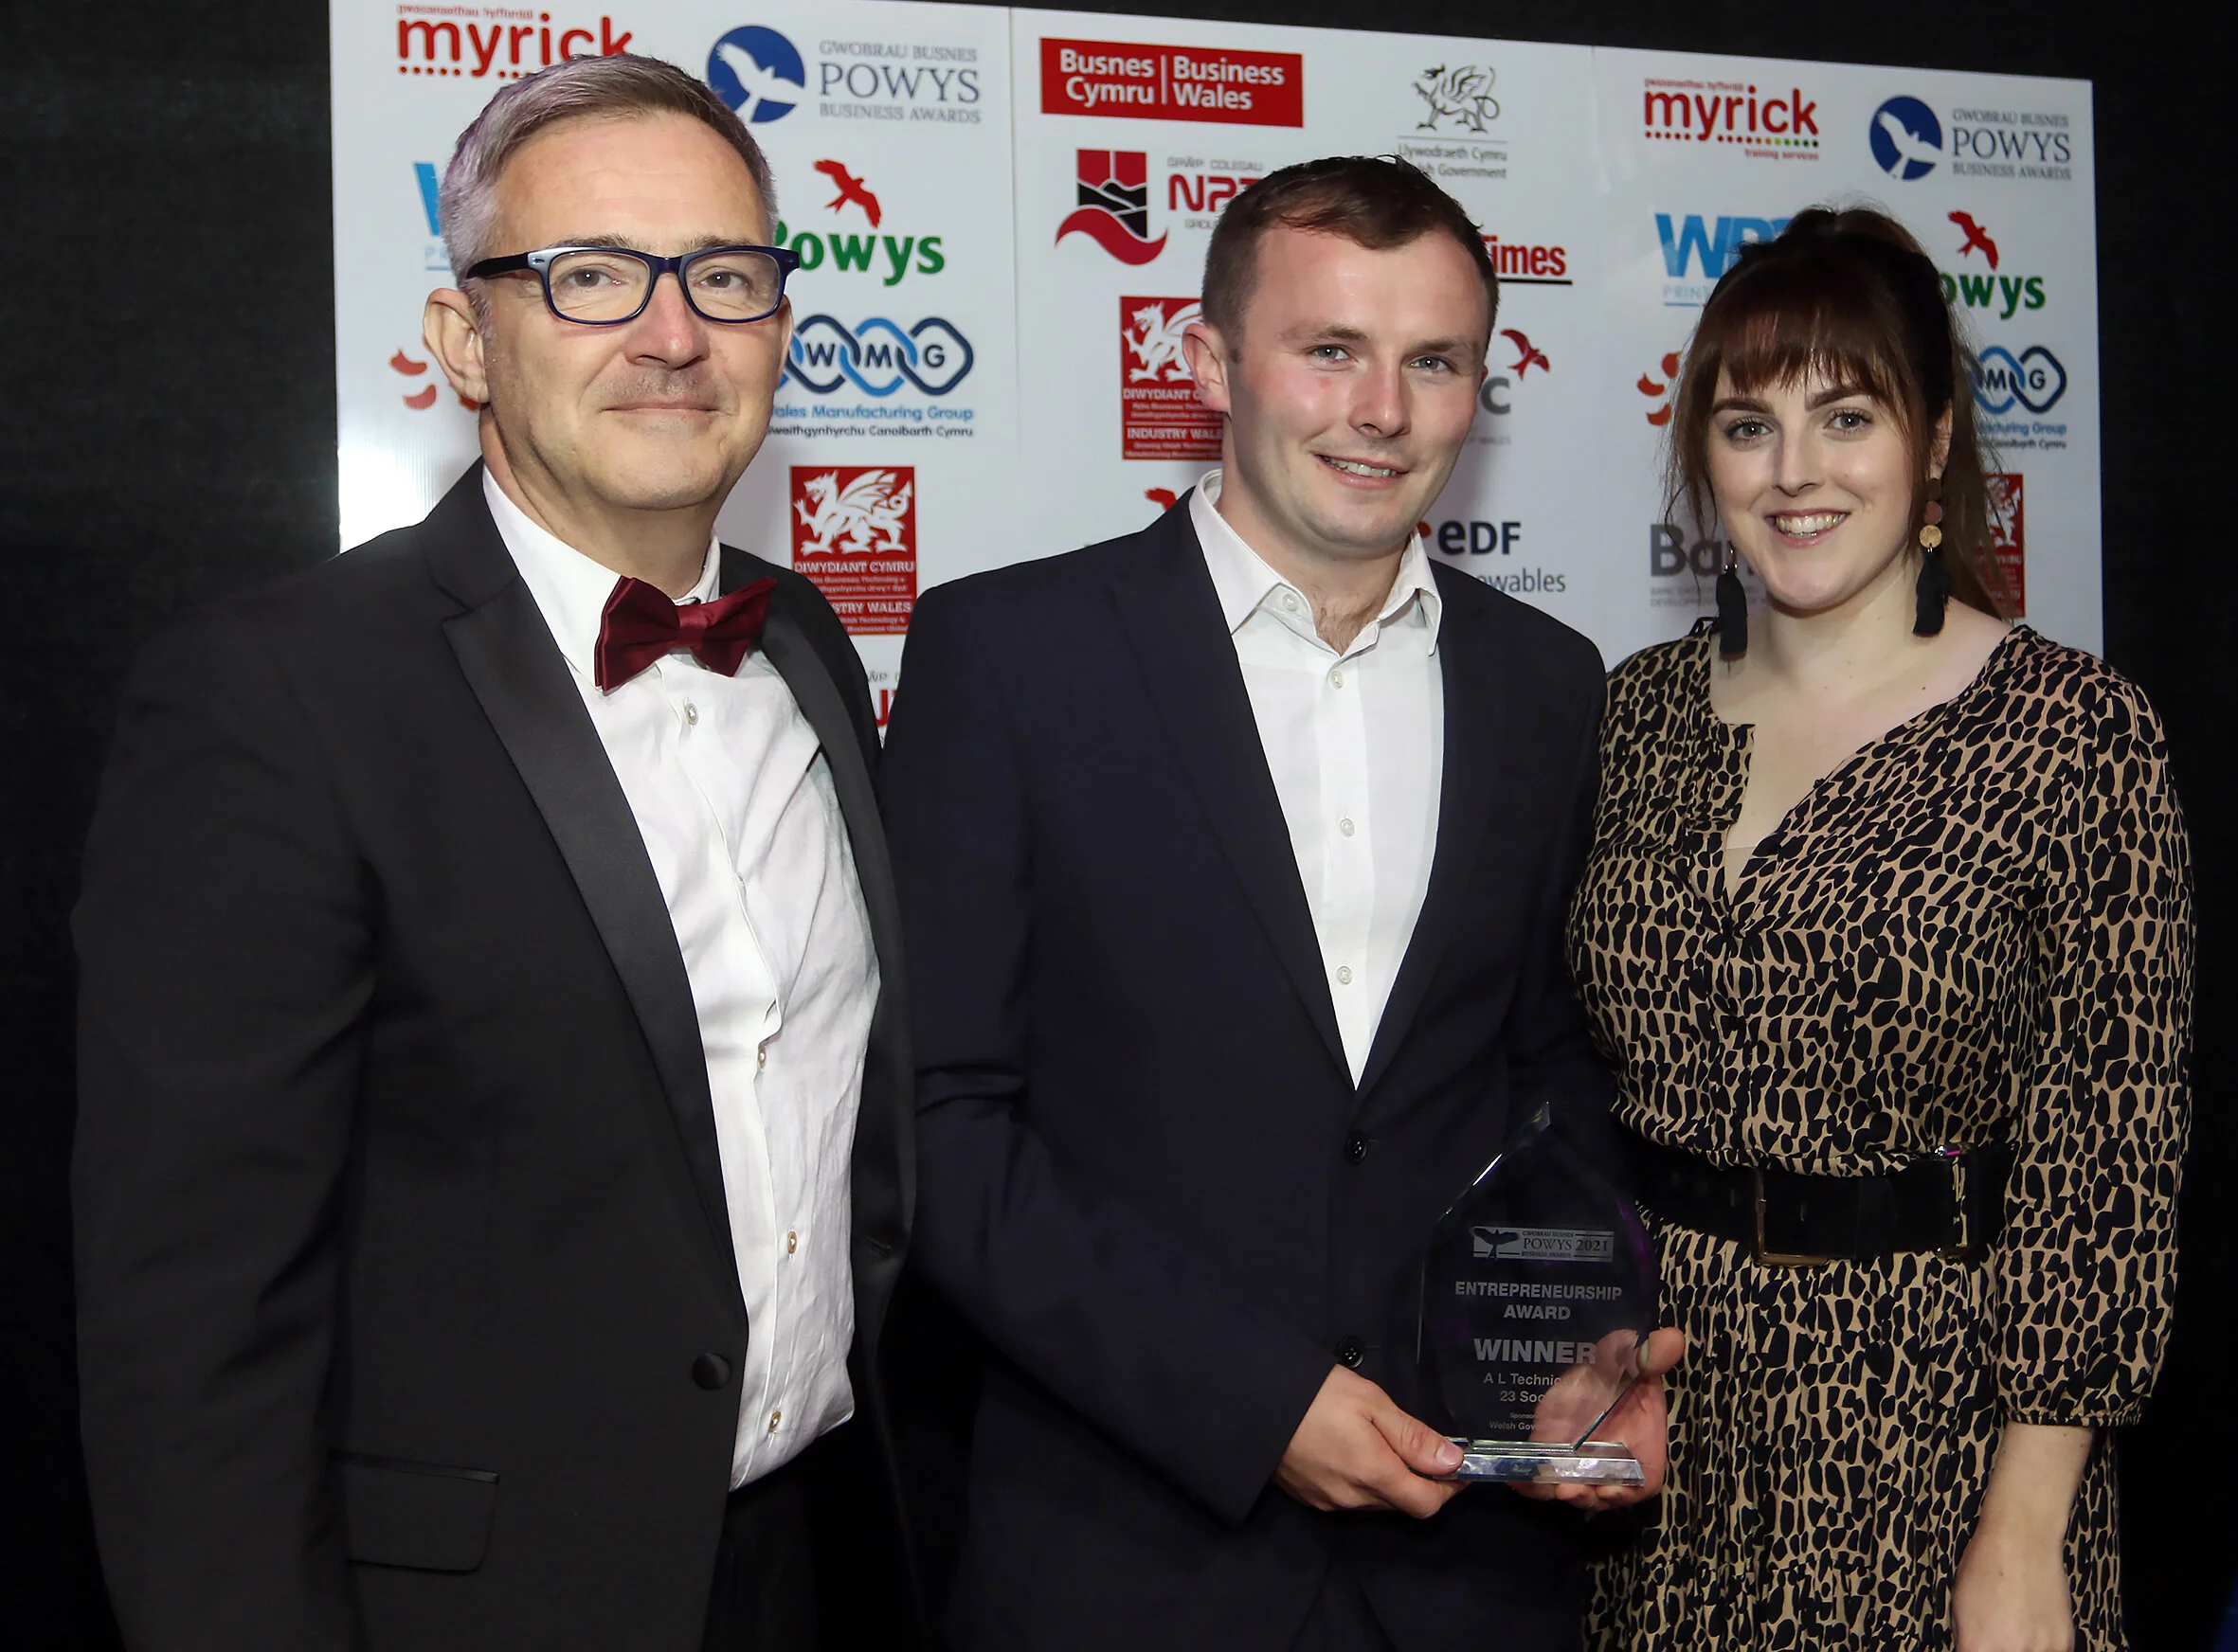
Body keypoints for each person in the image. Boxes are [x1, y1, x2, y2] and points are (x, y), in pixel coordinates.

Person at [73, 55, 914, 1651]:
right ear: (464, 338)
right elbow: (189, 1323)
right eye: (591, 276)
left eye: (724, 277)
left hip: (811, 1563)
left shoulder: (805, 640)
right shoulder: (276, 696)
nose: (672, 334)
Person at [880, 155, 1679, 1651]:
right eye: (1329, 349)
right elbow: (939, 1126)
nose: (1380, 410)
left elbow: (1545, 1070)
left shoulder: (1545, 683)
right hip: (1123, 1554)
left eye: (1432, 361)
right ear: (1207, 364)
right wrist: (1250, 1405)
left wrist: (1582, 1348)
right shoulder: (1011, 656)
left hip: (1468, 1563)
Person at [1566, 207, 2193, 1649]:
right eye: (1749, 426)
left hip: (1935, 1430)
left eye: (1845, 417)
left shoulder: (2074, 734)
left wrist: (2021, 1536)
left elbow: (2108, 1166)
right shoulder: (1634, 716)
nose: (1793, 471)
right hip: (1659, 1431)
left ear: (1934, 439)